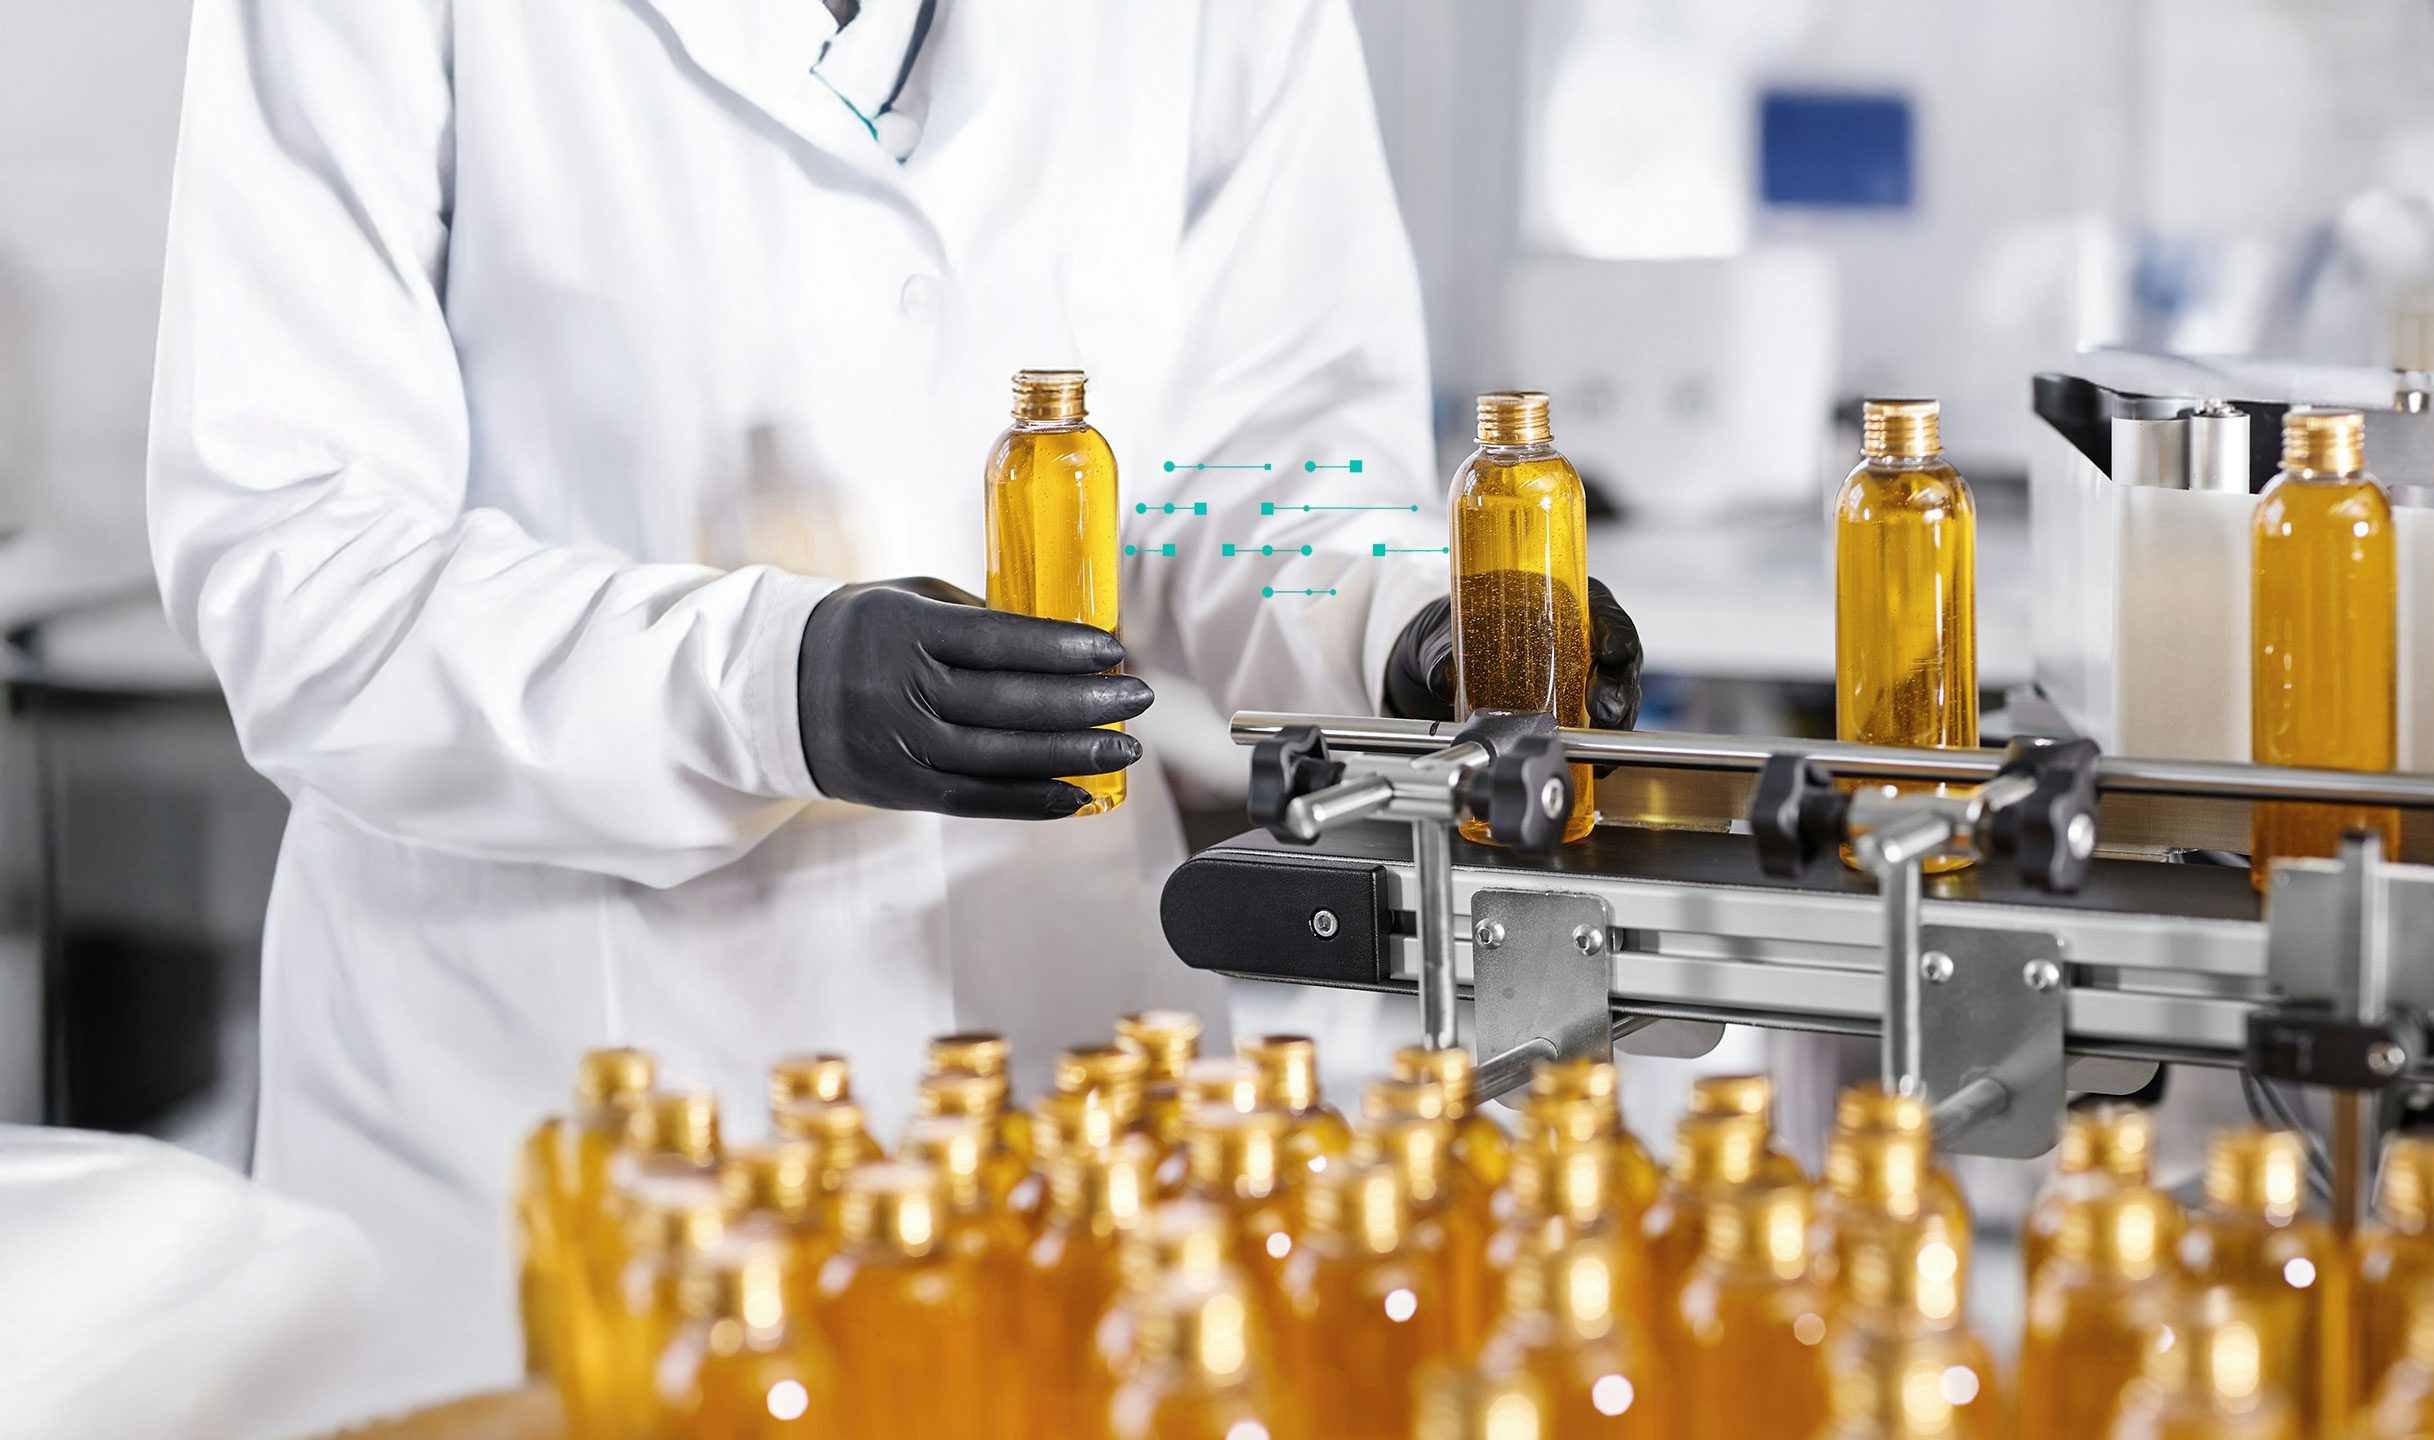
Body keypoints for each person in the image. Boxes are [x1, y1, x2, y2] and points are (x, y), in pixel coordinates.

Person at [147, 0, 1644, 1416]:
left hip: (1049, 1106)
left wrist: (1404, 624)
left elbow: (1259, 463)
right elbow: (297, 563)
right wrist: (763, 683)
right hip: (545, 1115)